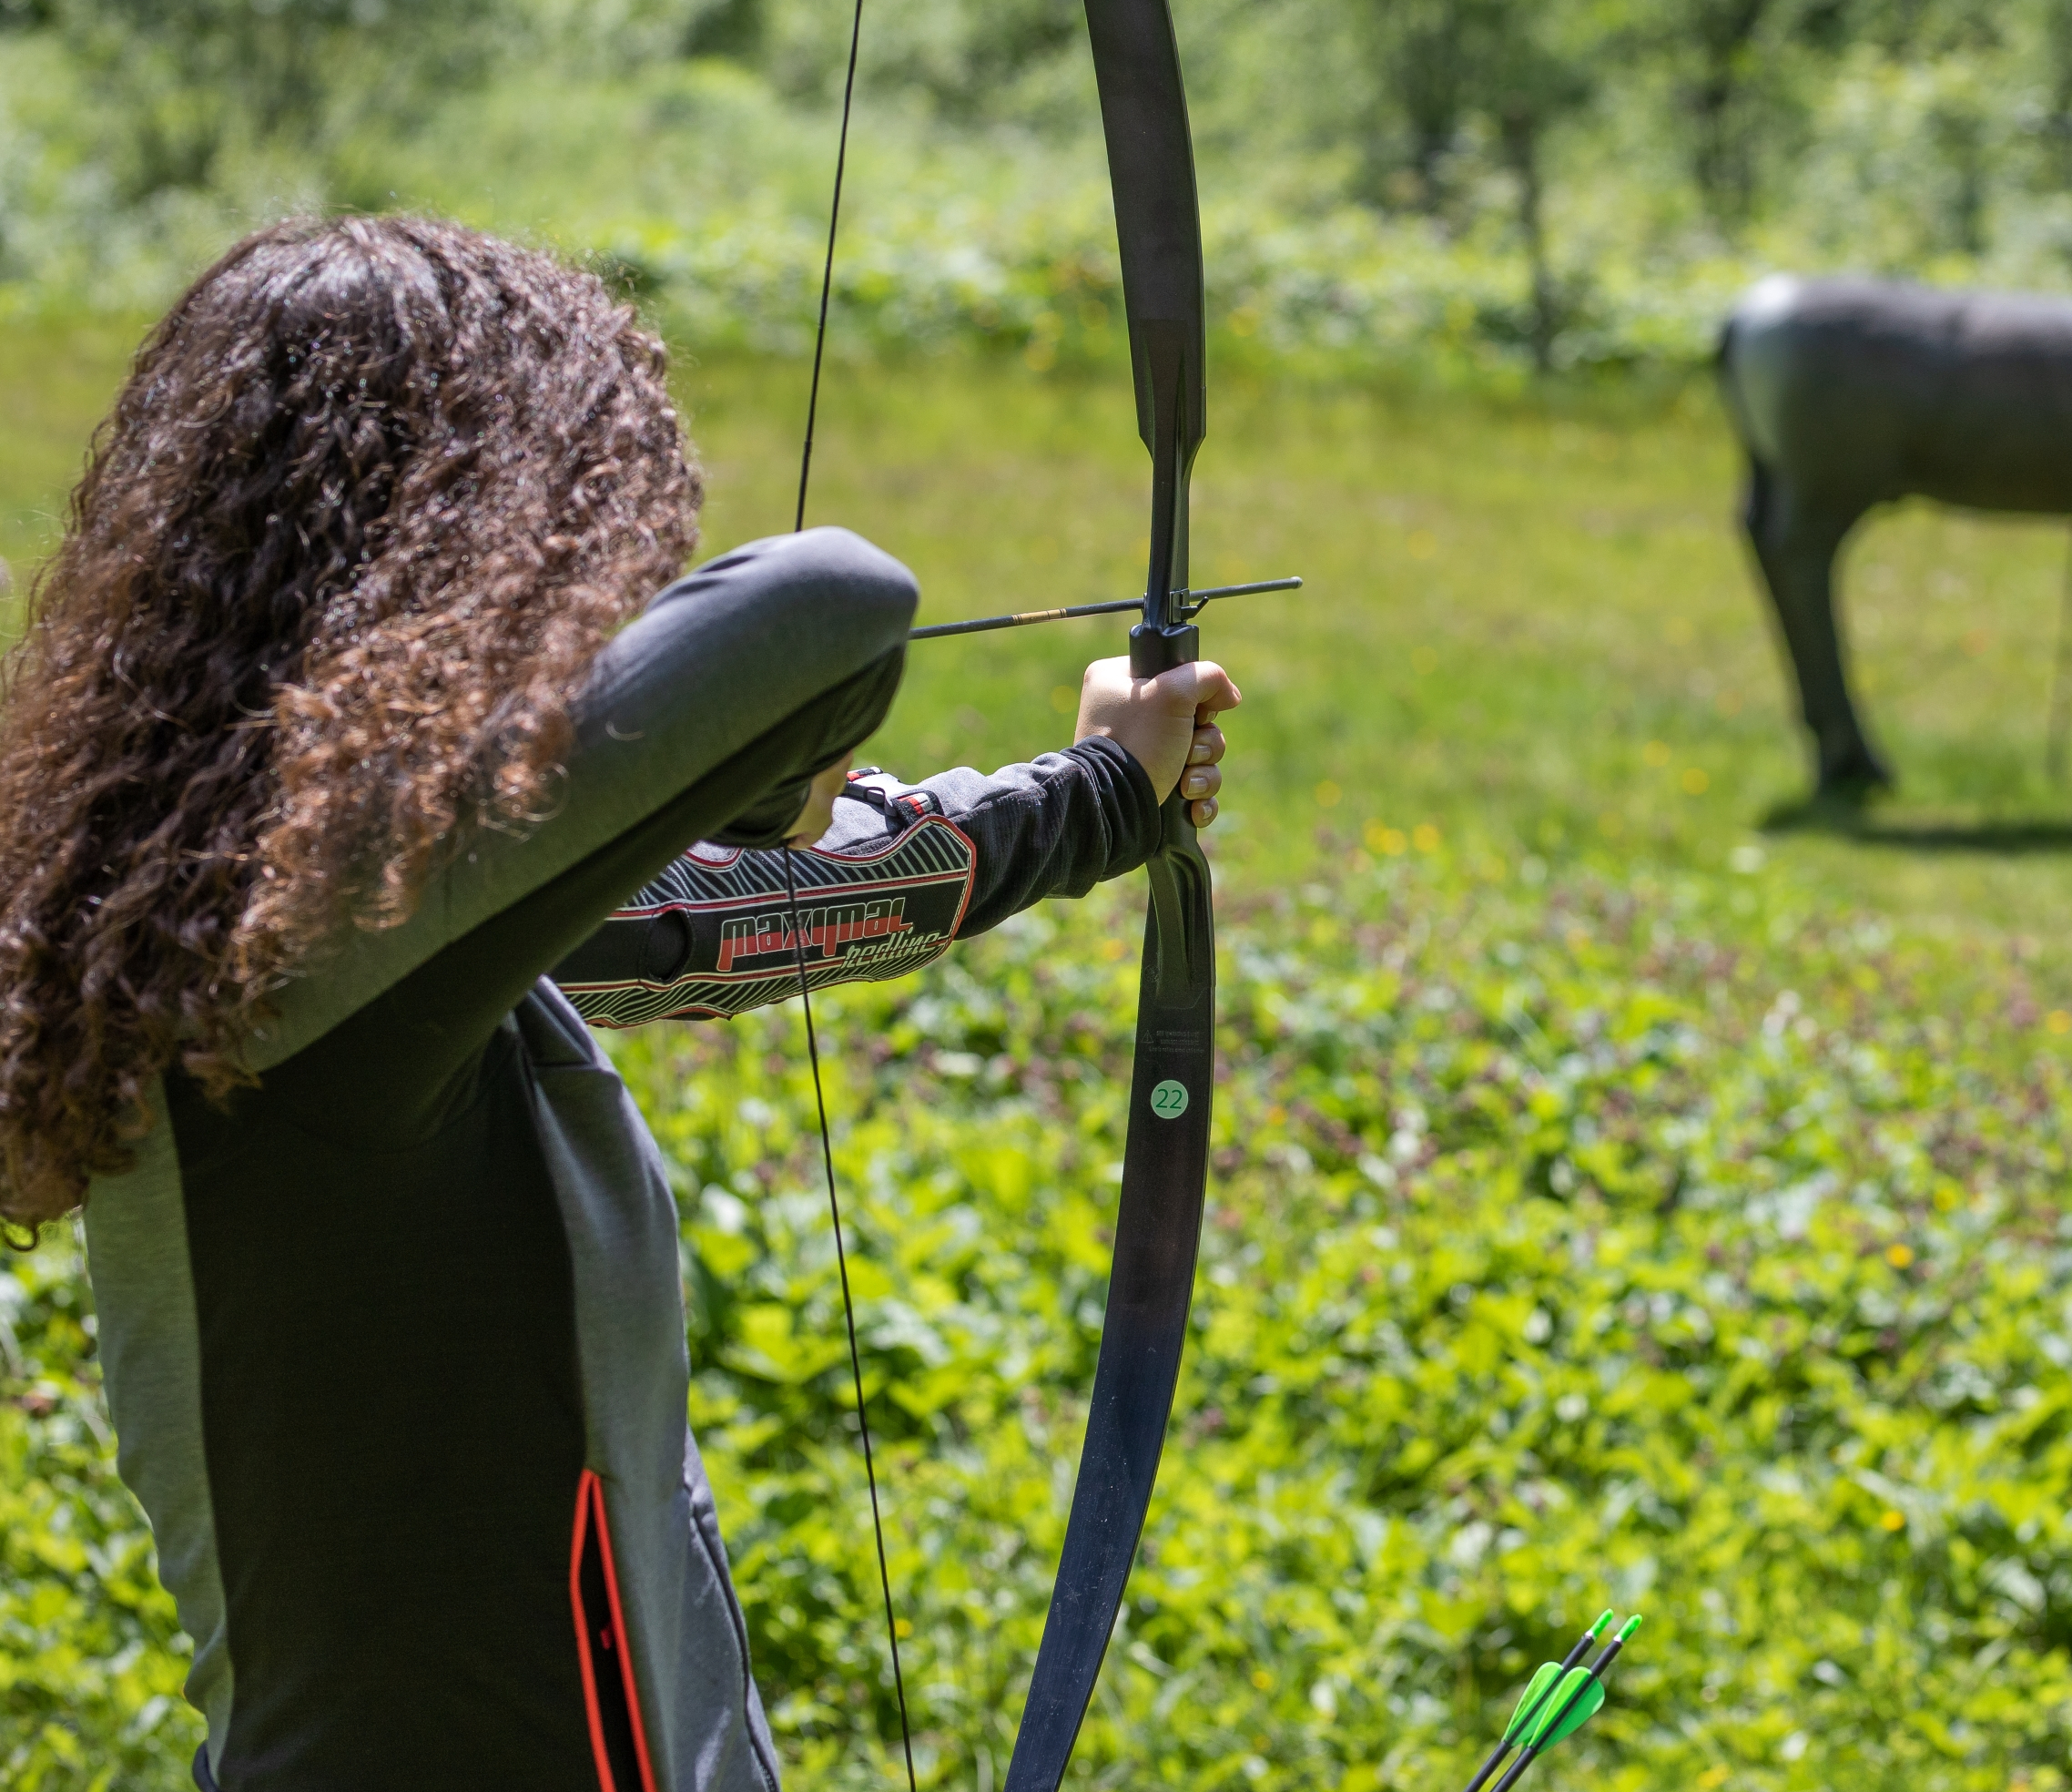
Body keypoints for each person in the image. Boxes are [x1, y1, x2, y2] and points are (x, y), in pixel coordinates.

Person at [0, 215, 1237, 1790]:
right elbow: (833, 603)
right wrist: (773, 778)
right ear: (481, 545)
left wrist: (1092, 797)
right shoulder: (303, 954)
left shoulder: (298, 928)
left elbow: (743, 912)